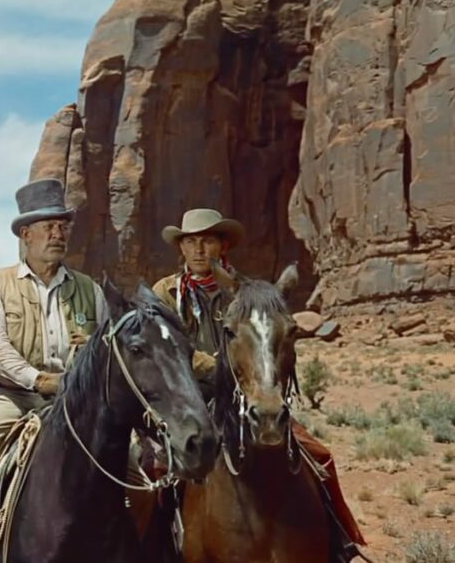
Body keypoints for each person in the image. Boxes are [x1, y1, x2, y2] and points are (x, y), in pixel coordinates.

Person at [153, 208, 366, 561]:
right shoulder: (167, 292)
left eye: (208, 241)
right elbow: (169, 345)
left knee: (319, 456)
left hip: (245, 393)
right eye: (191, 242)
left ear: (223, 245)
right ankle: (158, 546)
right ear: (182, 248)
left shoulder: (248, 293)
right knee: (159, 467)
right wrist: (217, 366)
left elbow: (267, 342)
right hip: (189, 396)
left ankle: (340, 541)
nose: (200, 250)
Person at [0, 179, 109, 563]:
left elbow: (104, 348)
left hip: (77, 404)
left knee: (131, 469)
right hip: (14, 397)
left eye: (62, 226)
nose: (58, 234)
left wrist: (80, 386)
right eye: (49, 227)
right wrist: (39, 380)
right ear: (26, 234)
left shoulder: (89, 290)